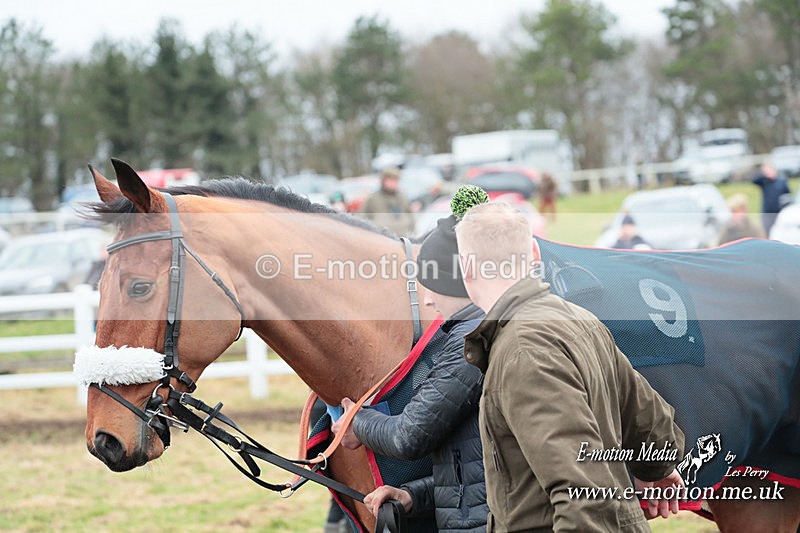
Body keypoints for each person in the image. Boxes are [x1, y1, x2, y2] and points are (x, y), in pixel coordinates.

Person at [454, 201, 686, 532]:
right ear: (535, 254)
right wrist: (658, 467)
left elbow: (583, 495)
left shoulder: (523, 349)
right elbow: (649, 419)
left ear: (467, 267)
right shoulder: (576, 317)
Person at [332, 187, 490, 532]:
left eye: (431, 287)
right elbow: (479, 472)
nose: (428, 301)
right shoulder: (472, 332)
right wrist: (411, 496)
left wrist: (355, 421)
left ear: (454, 284)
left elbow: (408, 436)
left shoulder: (471, 341)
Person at [359, 167, 415, 236]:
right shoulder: (373, 198)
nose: (393, 183)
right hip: (381, 239)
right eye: (390, 180)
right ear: (383, 181)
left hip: (402, 238)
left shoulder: (403, 198)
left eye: (395, 180)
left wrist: (412, 234)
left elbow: (411, 218)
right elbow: (361, 218)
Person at [752, 162, 791, 236]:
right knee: (767, 233)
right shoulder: (764, 181)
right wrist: (764, 174)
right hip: (767, 213)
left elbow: (787, 196)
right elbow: (754, 180)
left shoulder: (781, 182)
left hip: (779, 212)